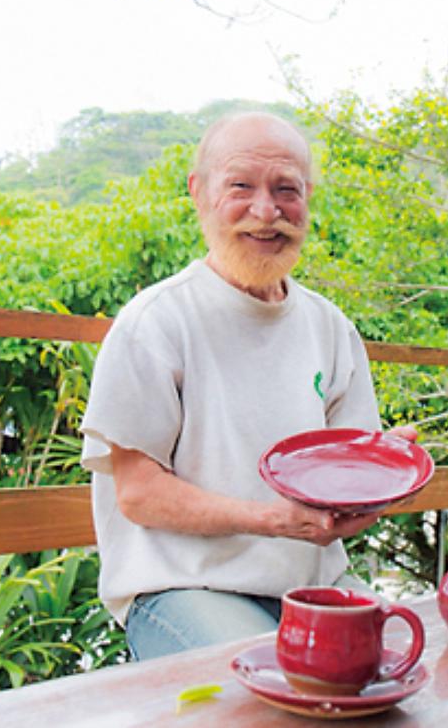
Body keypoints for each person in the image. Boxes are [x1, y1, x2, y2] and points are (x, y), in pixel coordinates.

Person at [80, 111, 412, 660]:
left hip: (311, 588)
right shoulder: (156, 321)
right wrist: (273, 521)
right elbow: (138, 493)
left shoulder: (330, 327)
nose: (266, 211)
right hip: (184, 586)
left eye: (287, 190)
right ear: (200, 192)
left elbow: (351, 491)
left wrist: (386, 480)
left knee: (411, 663)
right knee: (271, 688)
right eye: (241, 187)